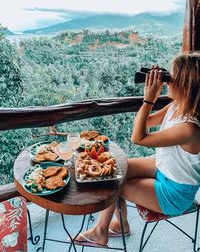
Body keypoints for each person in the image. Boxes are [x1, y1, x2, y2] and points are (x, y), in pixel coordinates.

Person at [74, 52, 200, 247]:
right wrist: (149, 99)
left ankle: (101, 232)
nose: (167, 82)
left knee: (113, 185)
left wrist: (149, 101)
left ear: (186, 85)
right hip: (163, 167)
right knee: (116, 169)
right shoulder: (176, 106)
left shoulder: (189, 128)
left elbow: (138, 138)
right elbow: (143, 123)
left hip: (174, 192)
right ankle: (121, 225)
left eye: (171, 78)